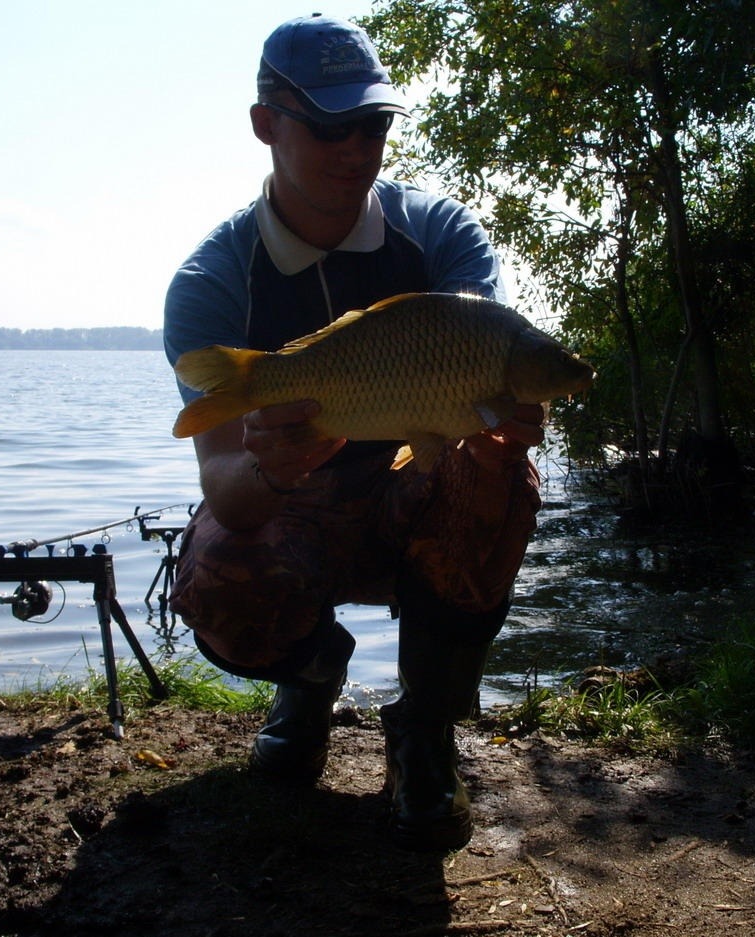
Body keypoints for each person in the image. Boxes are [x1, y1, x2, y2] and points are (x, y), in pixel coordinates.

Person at [163, 13, 544, 852]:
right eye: (330, 125)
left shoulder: (440, 234)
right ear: (266, 124)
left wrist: (508, 428)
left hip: (421, 491)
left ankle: (425, 726)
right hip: (300, 505)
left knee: (502, 481)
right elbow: (223, 486)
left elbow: (490, 410)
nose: (356, 147)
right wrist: (271, 469)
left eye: (372, 124)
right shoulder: (213, 279)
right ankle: (310, 678)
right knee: (223, 564)